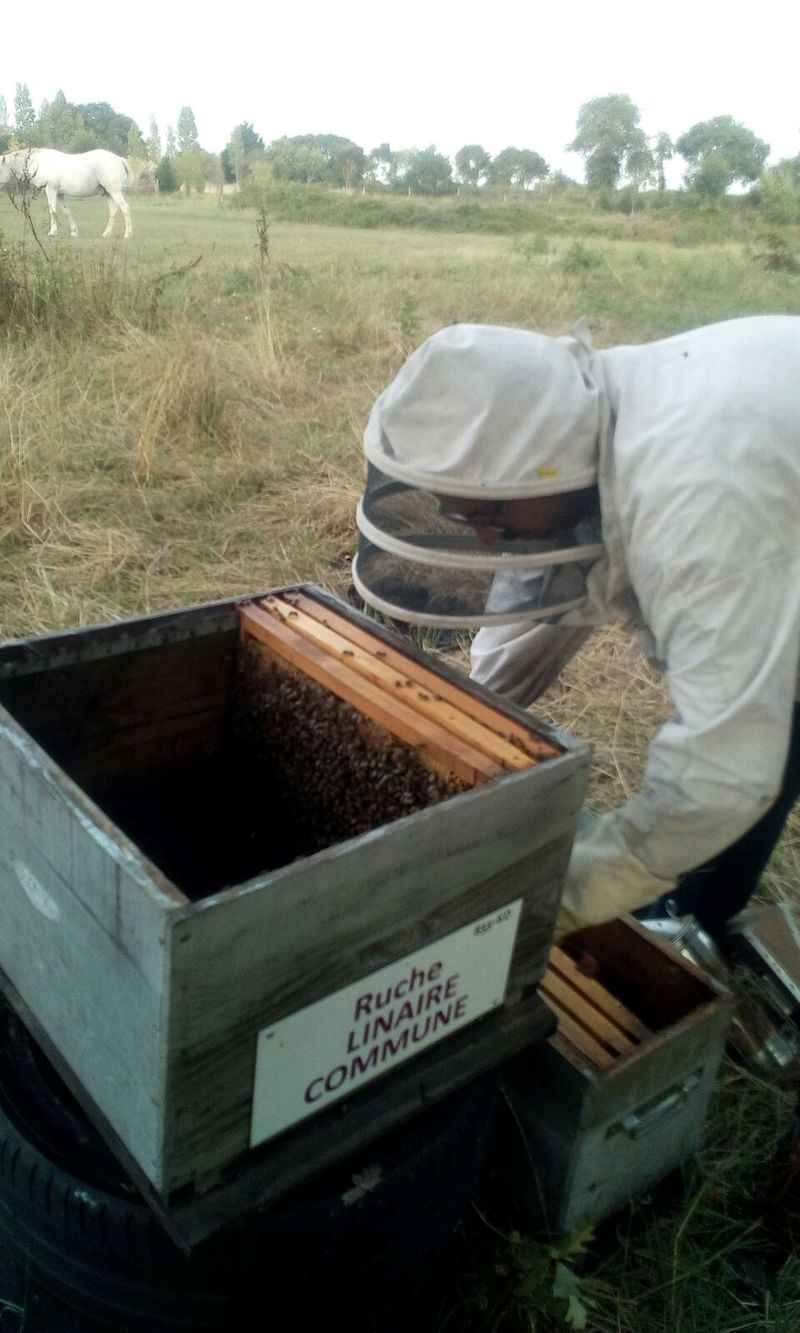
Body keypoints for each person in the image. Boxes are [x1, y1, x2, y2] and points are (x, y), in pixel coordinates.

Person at [353, 316, 800, 942]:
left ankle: (694, 926)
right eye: (459, 511)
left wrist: (548, 905)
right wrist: (450, 741)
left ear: (543, 459)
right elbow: (535, 605)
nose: (482, 534)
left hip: (749, 494)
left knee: (761, 740)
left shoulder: (695, 506)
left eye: (490, 513)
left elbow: (724, 774)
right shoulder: (580, 416)